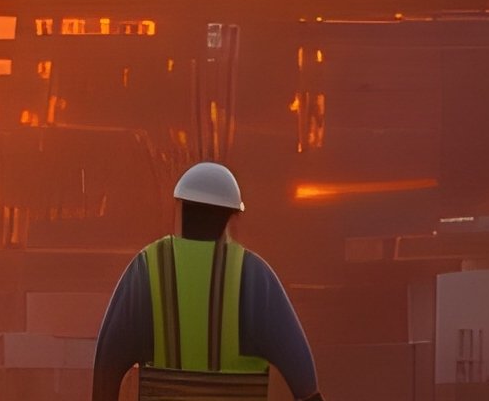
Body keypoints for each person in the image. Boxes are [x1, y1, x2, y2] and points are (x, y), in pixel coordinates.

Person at [92, 161, 323, 401]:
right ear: (230, 217)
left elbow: (107, 361)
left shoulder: (146, 268)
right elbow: (303, 375)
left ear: (181, 208)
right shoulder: (253, 275)